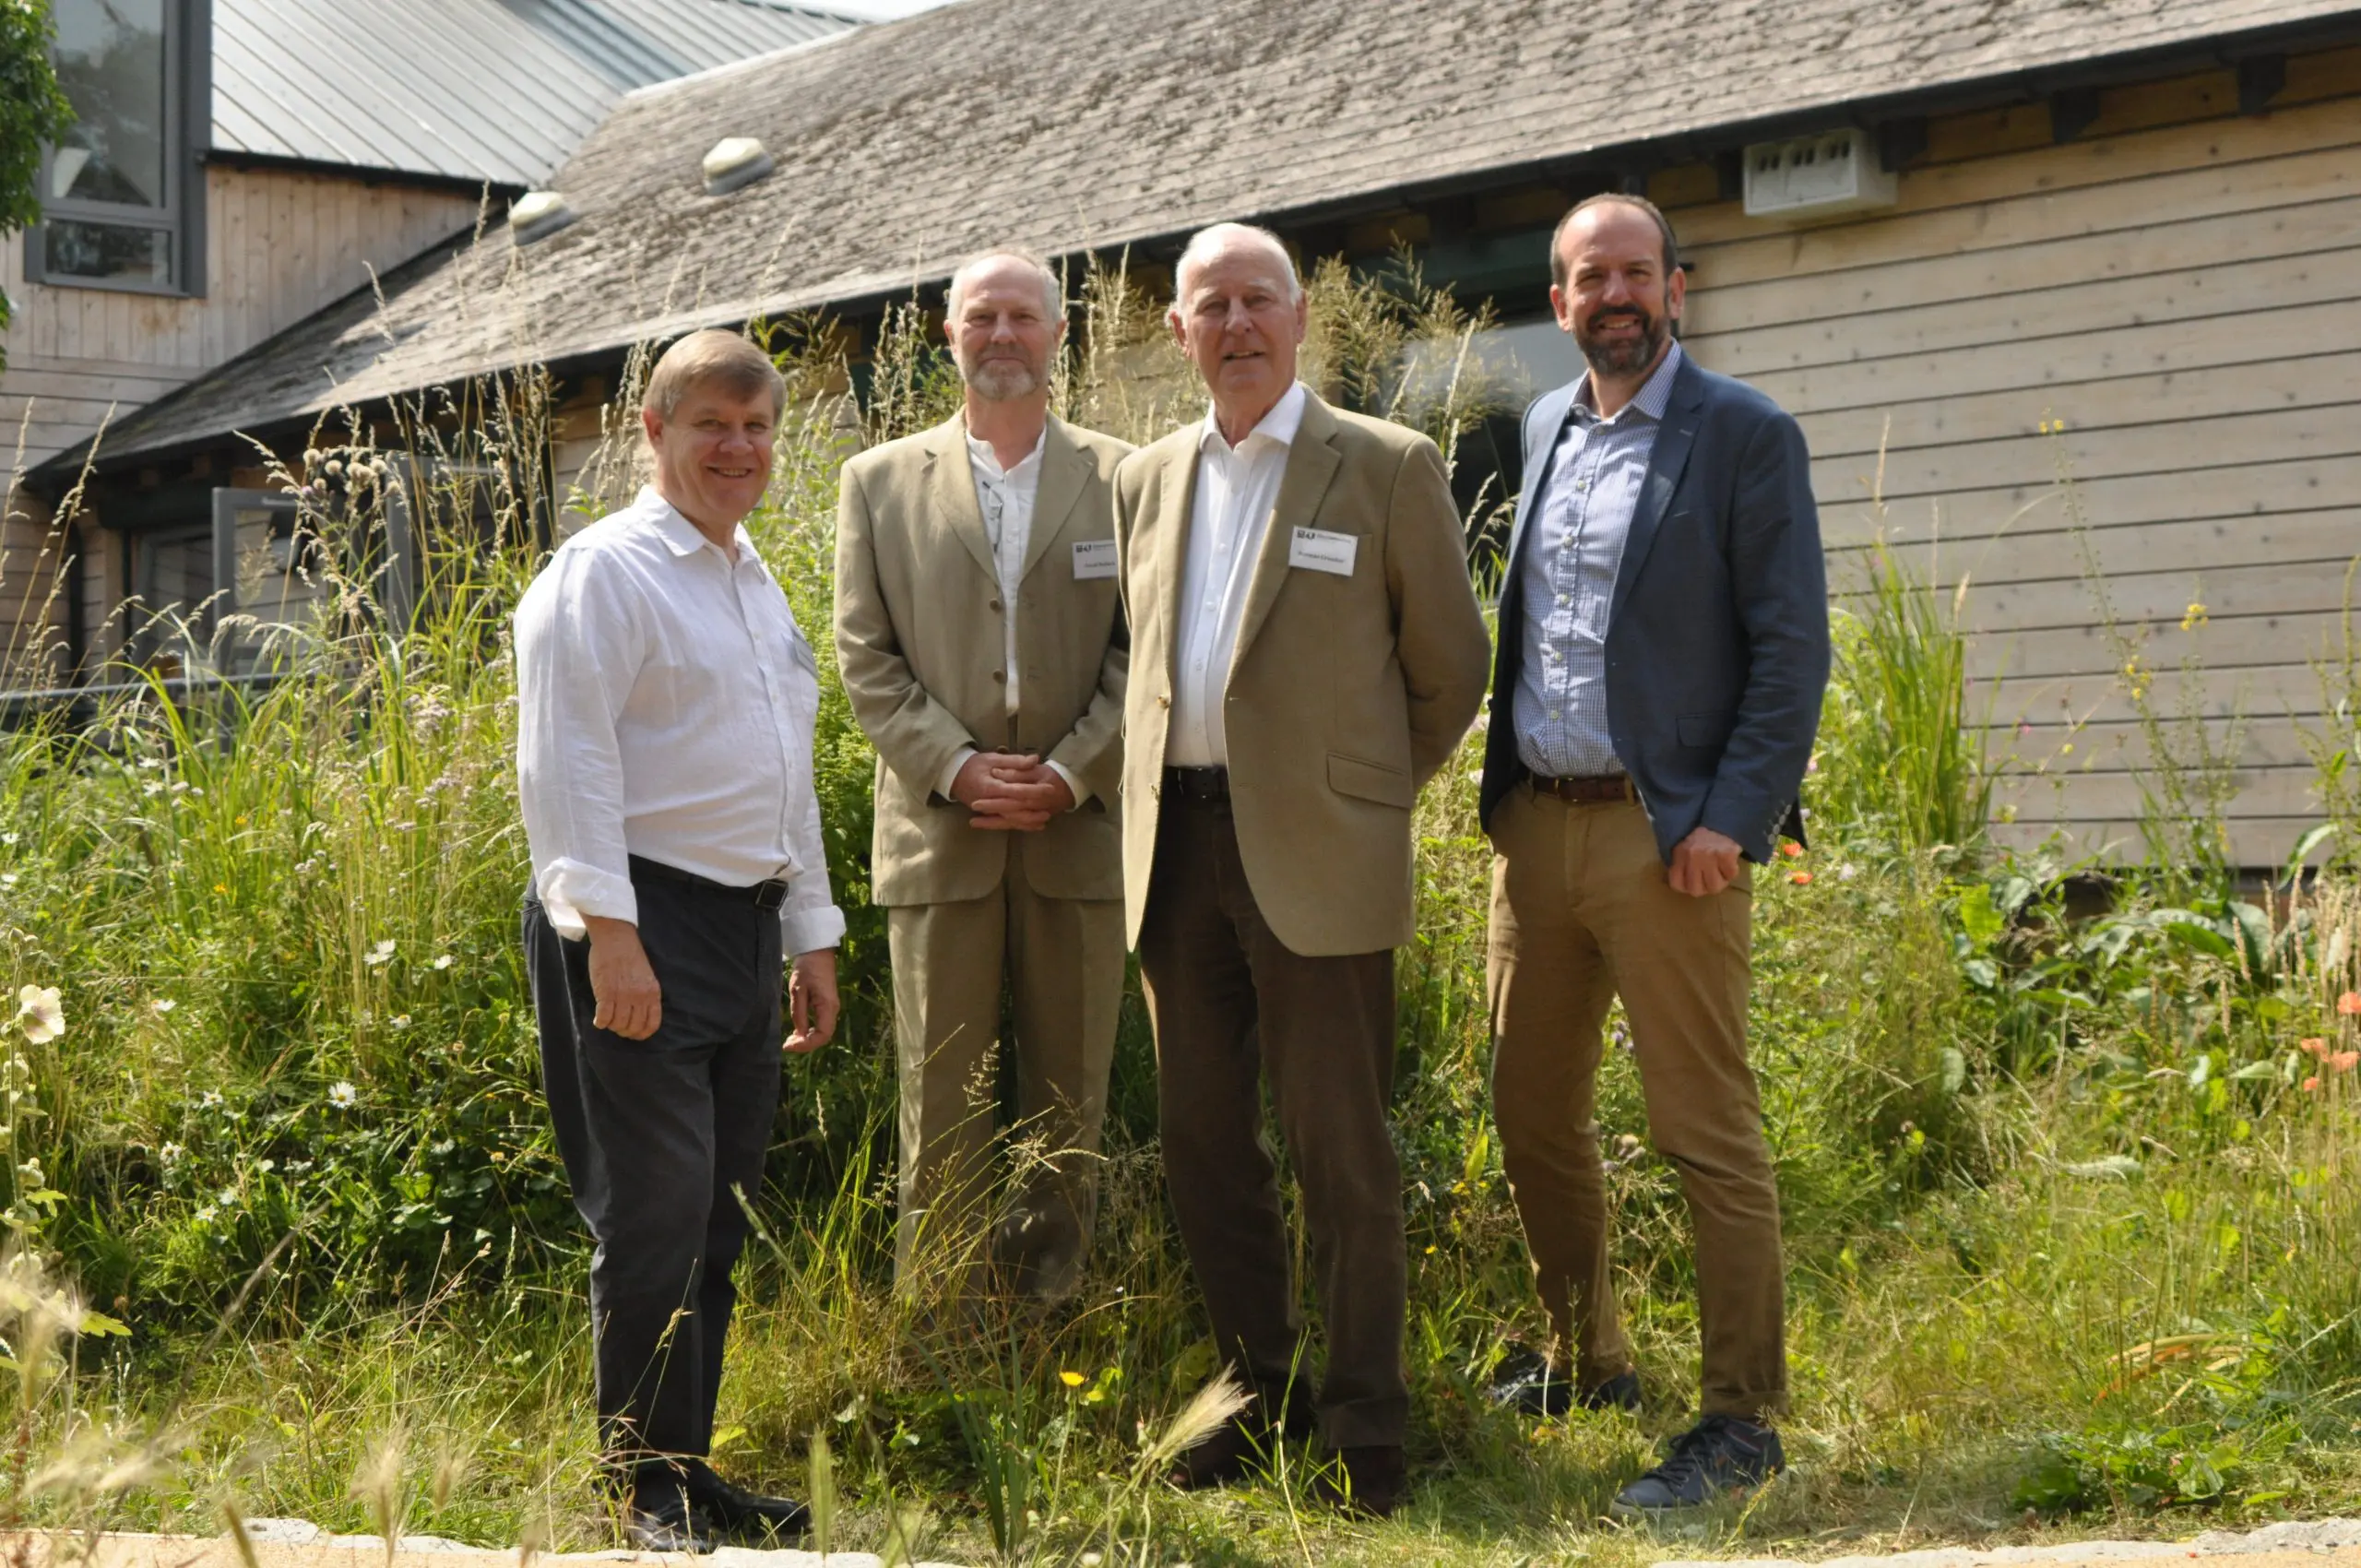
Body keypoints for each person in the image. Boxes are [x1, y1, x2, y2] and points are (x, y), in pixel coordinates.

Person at [1113, 222, 1491, 1518]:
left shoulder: (1384, 466)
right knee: (1205, 1146)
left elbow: (1451, 670)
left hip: (1320, 859)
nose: (1236, 325)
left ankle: (1365, 1433)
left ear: (1301, 317)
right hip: (1176, 854)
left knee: (1343, 1156)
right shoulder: (1145, 478)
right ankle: (1247, 1402)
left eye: (1257, 301)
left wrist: (1358, 798)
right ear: (1178, 332)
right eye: (1209, 306)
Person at [1476, 193, 1830, 1515]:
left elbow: (1792, 647)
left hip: (1667, 832)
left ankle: (1741, 1418)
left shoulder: (1744, 434)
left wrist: (1732, 820)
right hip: (1536, 830)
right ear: (1558, 302)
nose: (1613, 295)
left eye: (1635, 272)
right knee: (1530, 1111)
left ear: (1676, 287)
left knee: (1703, 1130)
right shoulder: (1541, 426)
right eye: (1586, 277)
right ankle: (1588, 1359)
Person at [516, 329, 844, 1552]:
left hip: (745, 933)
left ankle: (687, 1470)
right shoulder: (603, 574)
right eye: (713, 424)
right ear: (652, 432)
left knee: (717, 1216)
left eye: (758, 428)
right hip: (635, 921)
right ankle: (637, 1490)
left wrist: (811, 933)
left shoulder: (755, 582)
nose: (740, 449)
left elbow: (786, 780)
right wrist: (609, 933)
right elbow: (567, 764)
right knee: (651, 1217)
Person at [833, 248, 1132, 1302]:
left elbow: (1145, 650)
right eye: (980, 317)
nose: (1001, 334)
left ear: (1059, 333)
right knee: (939, 1090)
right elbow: (863, 657)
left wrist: (1073, 769)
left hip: (1079, 829)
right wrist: (956, 767)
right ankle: (943, 1322)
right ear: (946, 333)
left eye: (1022, 316)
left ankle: (1050, 1313)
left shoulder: (1124, 474)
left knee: (1070, 1094)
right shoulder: (875, 482)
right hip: (937, 833)